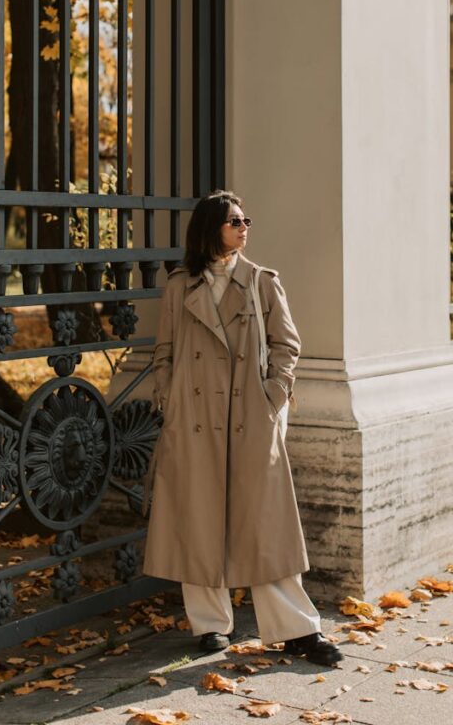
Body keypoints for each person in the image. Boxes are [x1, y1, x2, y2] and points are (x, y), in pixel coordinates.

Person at [142, 190, 342, 666]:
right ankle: (211, 625)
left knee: (265, 523)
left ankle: (296, 629)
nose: (244, 227)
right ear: (211, 228)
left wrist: (272, 397)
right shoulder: (179, 286)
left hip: (250, 418)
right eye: (235, 220)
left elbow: (287, 346)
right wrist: (169, 398)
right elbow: (165, 351)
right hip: (194, 423)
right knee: (199, 519)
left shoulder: (261, 282)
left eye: (246, 219)